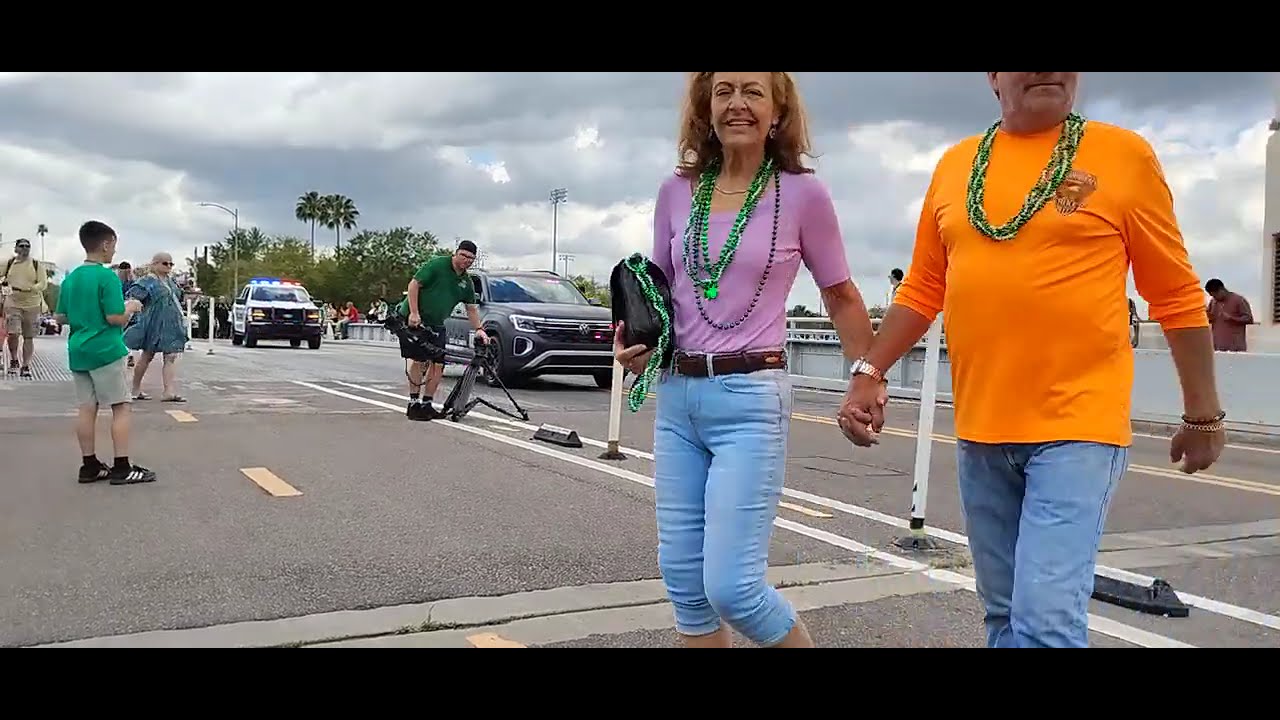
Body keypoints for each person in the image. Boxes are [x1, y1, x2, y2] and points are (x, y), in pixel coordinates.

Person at [840, 72, 1226, 648]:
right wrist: (869, 373)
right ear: (993, 77)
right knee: (1003, 616)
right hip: (982, 429)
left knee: (1045, 622)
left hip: (1079, 426)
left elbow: (1173, 293)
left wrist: (1202, 413)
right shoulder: (956, 165)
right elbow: (923, 288)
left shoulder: (1122, 156)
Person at [613, 72, 877, 648]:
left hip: (751, 397)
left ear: (777, 111)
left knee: (733, 587)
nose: (737, 104)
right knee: (686, 584)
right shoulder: (675, 191)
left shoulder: (803, 194)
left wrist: (866, 380)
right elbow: (656, 291)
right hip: (678, 398)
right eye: (724, 90)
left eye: (753, 91)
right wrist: (634, 339)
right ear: (705, 108)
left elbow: (840, 295)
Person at [55, 220, 156, 485]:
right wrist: (131, 306)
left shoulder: (71, 278)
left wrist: (84, 316)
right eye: (113, 245)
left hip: (78, 350)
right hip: (106, 350)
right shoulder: (106, 277)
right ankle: (122, 466)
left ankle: (89, 465)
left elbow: (60, 317)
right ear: (105, 243)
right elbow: (115, 318)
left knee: (86, 407)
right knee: (121, 406)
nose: (113, 251)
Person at [398, 241, 489, 421]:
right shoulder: (438, 265)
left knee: (439, 362)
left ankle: (427, 403)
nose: (466, 260)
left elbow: (471, 308)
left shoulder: (466, 282)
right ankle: (413, 403)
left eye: (471, 258)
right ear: (455, 254)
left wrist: (479, 329)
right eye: (463, 255)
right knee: (419, 360)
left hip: (437, 323)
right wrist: (414, 313)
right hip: (415, 319)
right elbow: (414, 285)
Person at [125, 252, 189, 402]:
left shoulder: (171, 281)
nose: (168, 266)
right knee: (147, 355)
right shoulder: (146, 281)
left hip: (172, 324)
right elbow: (133, 299)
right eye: (164, 263)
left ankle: (169, 391)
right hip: (153, 323)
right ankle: (135, 388)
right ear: (155, 264)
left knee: (171, 356)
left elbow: (178, 298)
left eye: (170, 264)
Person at [1, 237, 48, 377]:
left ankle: (26, 365)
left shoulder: (36, 264)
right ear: (16, 249)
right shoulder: (9, 263)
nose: (24, 248)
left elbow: (43, 283)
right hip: (13, 302)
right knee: (13, 333)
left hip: (32, 304)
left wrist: (31, 288)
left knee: (29, 336)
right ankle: (14, 359)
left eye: (27, 246)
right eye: (21, 246)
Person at [1204, 278, 1253, 352]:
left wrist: (1232, 318)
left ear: (1221, 289)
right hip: (1218, 348)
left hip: (1235, 349)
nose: (1214, 298)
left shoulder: (1239, 300)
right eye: (1212, 296)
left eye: (1215, 295)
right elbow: (1210, 319)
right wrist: (1208, 316)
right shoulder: (1213, 302)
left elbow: (1249, 319)